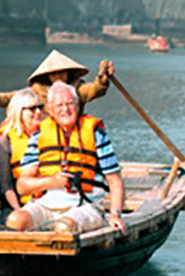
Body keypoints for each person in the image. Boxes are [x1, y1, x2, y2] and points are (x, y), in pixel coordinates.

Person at [7, 81, 125, 234]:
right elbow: (22, 186)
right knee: (15, 220)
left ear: (77, 105)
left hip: (85, 206)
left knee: (64, 226)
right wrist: (51, 182)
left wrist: (115, 214)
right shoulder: (39, 136)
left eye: (69, 103)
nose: (65, 109)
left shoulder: (95, 133)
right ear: (50, 109)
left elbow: (115, 181)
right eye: (59, 105)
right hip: (47, 204)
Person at [0, 50, 115, 110]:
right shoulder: (38, 91)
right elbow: (11, 98)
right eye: (54, 74)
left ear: (68, 73)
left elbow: (95, 89)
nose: (58, 77)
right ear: (47, 76)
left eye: (62, 73)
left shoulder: (76, 89)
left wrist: (103, 77)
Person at [0, 88, 46, 215]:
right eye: (32, 109)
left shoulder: (49, 135)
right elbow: (6, 186)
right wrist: (20, 211)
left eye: (40, 107)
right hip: (15, 202)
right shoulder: (5, 140)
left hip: (45, 201)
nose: (38, 112)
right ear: (19, 112)